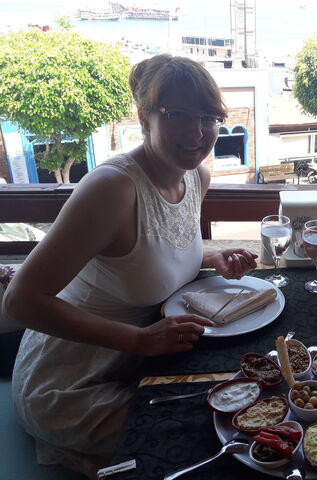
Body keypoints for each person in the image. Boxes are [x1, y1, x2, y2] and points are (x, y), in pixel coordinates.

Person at [3, 54, 257, 477]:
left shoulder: (196, 176)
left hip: (147, 357)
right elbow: (20, 301)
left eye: (210, 118)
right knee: (212, 434)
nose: (198, 132)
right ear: (144, 116)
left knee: (249, 397)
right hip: (74, 380)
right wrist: (139, 340)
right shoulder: (113, 187)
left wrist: (211, 258)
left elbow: (147, 258)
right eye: (178, 115)